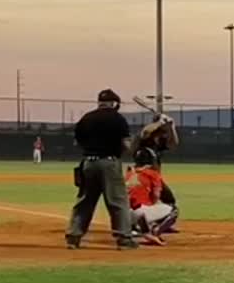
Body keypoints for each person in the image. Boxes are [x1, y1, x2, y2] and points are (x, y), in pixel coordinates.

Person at [65, 88, 139, 250]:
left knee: (85, 201)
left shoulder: (86, 118)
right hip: (109, 163)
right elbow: (127, 146)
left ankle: (73, 236)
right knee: (117, 201)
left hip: (88, 163)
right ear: (114, 103)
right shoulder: (118, 119)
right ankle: (124, 238)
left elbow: (78, 142)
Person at [127, 157, 180, 244]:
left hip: (123, 217)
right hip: (139, 213)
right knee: (174, 210)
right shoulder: (152, 173)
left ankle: (135, 229)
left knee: (138, 208)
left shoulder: (130, 173)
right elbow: (156, 194)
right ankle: (156, 231)